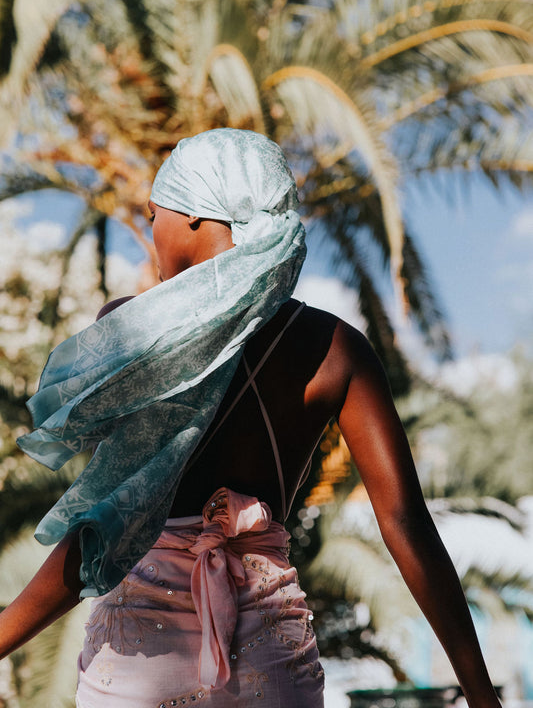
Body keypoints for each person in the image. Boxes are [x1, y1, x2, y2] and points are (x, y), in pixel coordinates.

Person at [0, 129, 500, 708]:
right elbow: (407, 524)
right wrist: (483, 696)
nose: (150, 230)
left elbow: (104, 523)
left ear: (192, 217)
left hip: (138, 663)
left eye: (154, 212)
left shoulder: (135, 330)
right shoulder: (336, 348)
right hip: (271, 659)